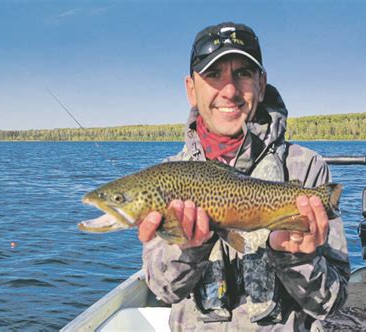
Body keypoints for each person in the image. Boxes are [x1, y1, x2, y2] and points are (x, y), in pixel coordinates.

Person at [138, 22, 350, 330]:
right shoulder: (168, 177)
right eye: (213, 74)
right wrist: (185, 248)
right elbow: (163, 291)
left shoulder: (308, 170)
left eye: (243, 73)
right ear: (191, 89)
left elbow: (333, 302)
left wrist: (297, 258)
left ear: (261, 85)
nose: (229, 90)